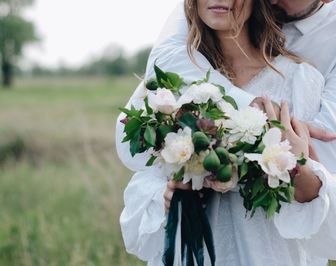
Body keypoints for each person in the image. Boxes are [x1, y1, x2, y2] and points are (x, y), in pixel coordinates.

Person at [116, 0, 336, 265]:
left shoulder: (301, 80)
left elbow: (320, 213)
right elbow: (142, 171)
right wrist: (167, 193)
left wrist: (297, 168)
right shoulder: (172, 76)